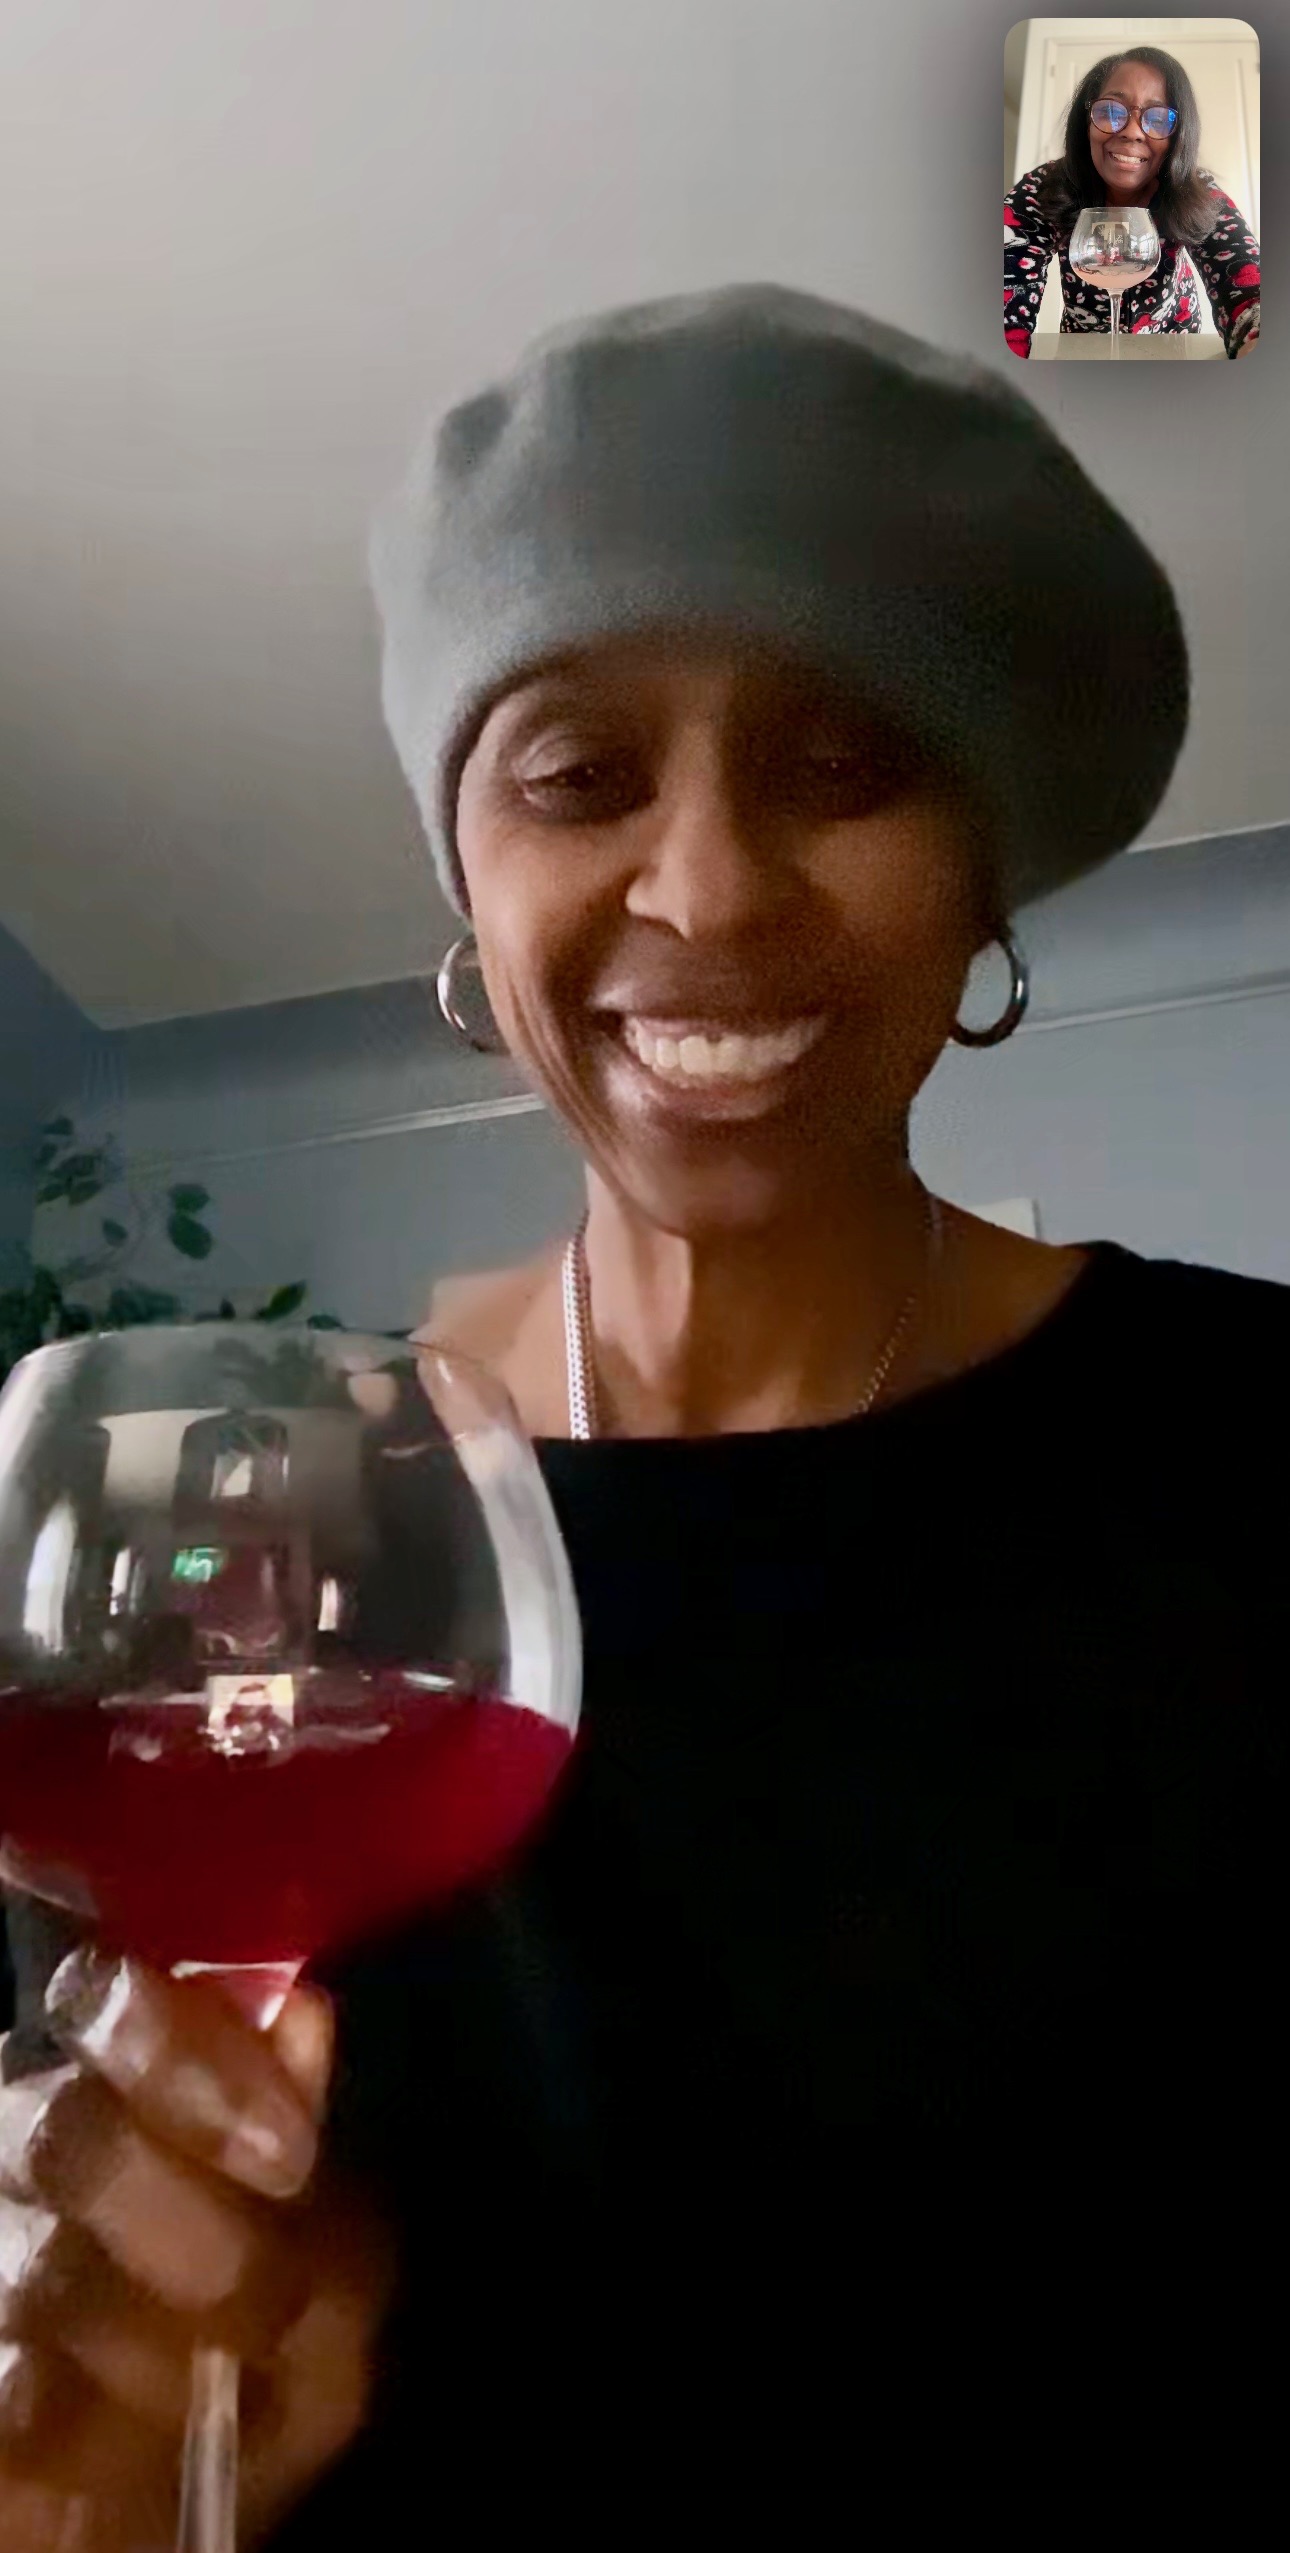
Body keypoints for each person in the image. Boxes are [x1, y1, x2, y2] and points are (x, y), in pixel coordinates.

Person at [1, 282, 1286, 2544]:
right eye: (580, 775)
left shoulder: (1263, 1447)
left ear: (979, 873)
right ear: (467, 881)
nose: (704, 887)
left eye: (842, 765)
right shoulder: (245, 1544)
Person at [1004, 44, 1260, 356]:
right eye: (1111, 112)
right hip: (1085, 352)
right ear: (1086, 120)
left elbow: (1248, 287)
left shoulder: (1195, 191)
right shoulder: (1047, 186)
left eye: (1159, 118)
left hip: (1174, 349)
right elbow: (1005, 284)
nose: (1133, 132)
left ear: (1178, 134)